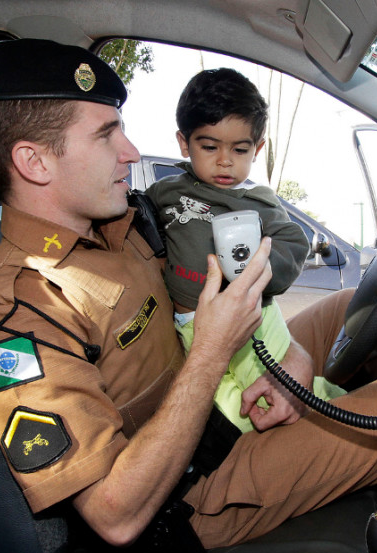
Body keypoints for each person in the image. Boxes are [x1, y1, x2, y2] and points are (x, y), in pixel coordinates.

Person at [0, 38, 377, 553]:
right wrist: (212, 351)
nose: (132, 152)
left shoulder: (123, 226)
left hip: (216, 398)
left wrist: (293, 360)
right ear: (34, 162)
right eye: (105, 135)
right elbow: (114, 515)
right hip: (188, 485)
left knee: (352, 309)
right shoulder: (18, 310)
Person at [147, 67, 345, 434]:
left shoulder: (259, 202)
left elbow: (294, 242)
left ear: (258, 148)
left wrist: (256, 274)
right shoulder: (165, 194)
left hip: (253, 317)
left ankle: (339, 410)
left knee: (281, 394)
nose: (225, 161)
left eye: (240, 149)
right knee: (225, 409)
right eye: (209, 147)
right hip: (191, 329)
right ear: (183, 142)